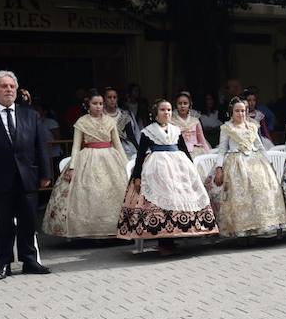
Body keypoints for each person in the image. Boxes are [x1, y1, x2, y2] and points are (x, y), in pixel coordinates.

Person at [0, 71, 52, 279]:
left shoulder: (30, 115)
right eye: (3, 86)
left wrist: (45, 173)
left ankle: (29, 260)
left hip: (27, 178)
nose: (8, 90)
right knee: (3, 224)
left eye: (12, 86)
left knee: (28, 221)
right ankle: (4, 263)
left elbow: (41, 147)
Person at [118, 99, 218, 253]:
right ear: (155, 113)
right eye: (163, 110)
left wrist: (192, 169)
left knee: (180, 199)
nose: (167, 113)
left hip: (178, 167)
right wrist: (137, 176)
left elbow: (184, 150)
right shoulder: (148, 132)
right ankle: (164, 241)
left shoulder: (176, 130)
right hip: (157, 168)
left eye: (169, 110)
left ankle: (180, 234)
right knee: (160, 202)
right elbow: (140, 156)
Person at [42, 91, 130, 239]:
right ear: (88, 105)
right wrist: (72, 167)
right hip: (88, 158)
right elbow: (76, 147)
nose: (98, 106)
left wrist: (127, 165)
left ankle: (118, 228)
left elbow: (118, 144)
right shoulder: (82, 122)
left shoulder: (110, 121)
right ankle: (89, 231)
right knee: (88, 194)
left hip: (111, 157)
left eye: (101, 104)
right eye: (95, 103)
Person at [212, 98, 286, 239]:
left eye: (243, 111)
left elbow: (260, 146)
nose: (240, 114)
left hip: (255, 161)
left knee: (261, 191)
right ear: (231, 112)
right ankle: (243, 231)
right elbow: (222, 150)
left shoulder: (253, 126)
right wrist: (219, 168)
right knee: (240, 196)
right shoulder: (227, 128)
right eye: (237, 111)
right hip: (236, 163)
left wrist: (269, 163)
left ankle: (260, 227)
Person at [171, 92, 210, 158]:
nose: (182, 106)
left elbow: (202, 140)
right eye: (180, 103)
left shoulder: (195, 121)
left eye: (185, 103)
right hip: (179, 152)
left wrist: (208, 155)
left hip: (196, 151)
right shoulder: (172, 122)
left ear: (189, 105)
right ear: (176, 105)